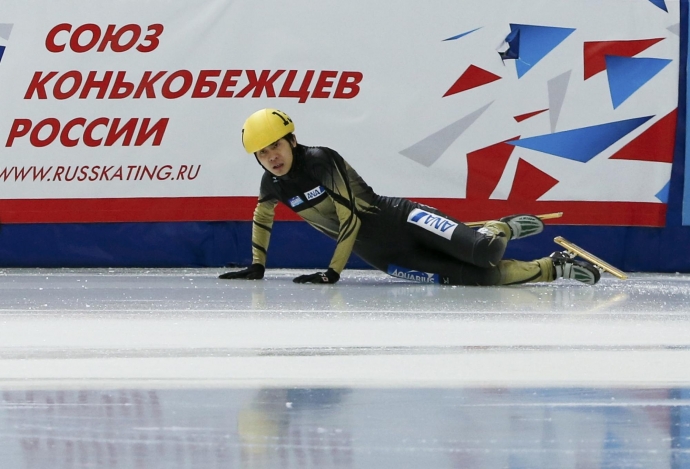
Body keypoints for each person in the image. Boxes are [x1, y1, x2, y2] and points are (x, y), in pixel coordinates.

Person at [219, 108, 601, 286]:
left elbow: (350, 219)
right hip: (384, 256)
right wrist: (258, 266)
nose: (271, 157)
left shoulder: (320, 159)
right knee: (479, 278)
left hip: (401, 219)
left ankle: (497, 229)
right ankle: (553, 268)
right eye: (262, 153)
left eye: (276, 146)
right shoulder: (272, 183)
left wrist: (332, 272)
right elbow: (262, 217)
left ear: (292, 140)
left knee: (485, 252)